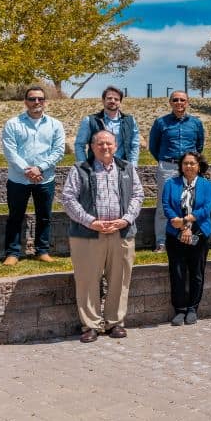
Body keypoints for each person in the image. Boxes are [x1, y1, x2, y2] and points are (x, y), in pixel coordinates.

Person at [59, 130, 143, 343]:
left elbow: (138, 195)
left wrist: (126, 219)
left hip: (121, 232)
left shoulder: (127, 168)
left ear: (115, 146)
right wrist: (90, 221)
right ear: (92, 147)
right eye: (100, 144)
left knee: (120, 279)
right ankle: (91, 325)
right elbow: (68, 198)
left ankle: (115, 322)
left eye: (109, 144)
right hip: (87, 235)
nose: (105, 147)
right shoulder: (81, 169)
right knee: (87, 280)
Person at [1, 86, 65, 266]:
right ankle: (13, 253)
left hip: (45, 179)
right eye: (32, 99)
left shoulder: (55, 124)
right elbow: (10, 151)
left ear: (45, 101)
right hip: (18, 179)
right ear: (25, 101)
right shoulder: (13, 123)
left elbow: (58, 151)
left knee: (44, 216)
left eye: (40, 99)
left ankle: (42, 251)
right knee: (15, 216)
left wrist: (40, 168)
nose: (36, 102)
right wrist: (28, 170)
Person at [147, 91, 205, 252]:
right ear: (170, 102)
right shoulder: (160, 123)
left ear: (187, 102)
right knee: (163, 204)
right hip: (168, 166)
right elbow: (153, 146)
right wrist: (165, 160)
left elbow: (199, 145)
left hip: (189, 166)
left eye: (182, 100)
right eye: (176, 100)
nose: (179, 102)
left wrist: (191, 162)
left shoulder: (196, 123)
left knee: (191, 202)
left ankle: (189, 236)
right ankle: (161, 241)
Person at [161, 150, 211, 325]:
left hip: (199, 232)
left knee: (196, 272)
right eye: (185, 163)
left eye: (192, 163)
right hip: (175, 233)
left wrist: (187, 222)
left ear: (199, 166)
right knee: (177, 272)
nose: (189, 166)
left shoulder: (207, 185)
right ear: (181, 166)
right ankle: (180, 309)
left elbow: (206, 208)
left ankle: (192, 308)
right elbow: (167, 205)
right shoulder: (171, 184)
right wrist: (182, 226)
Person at [74, 85, 140, 165]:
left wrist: (133, 165)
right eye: (109, 98)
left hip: (123, 168)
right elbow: (79, 145)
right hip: (97, 169)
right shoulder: (90, 120)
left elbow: (135, 145)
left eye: (116, 99)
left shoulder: (130, 120)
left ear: (120, 102)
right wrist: (84, 166)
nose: (113, 101)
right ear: (103, 100)